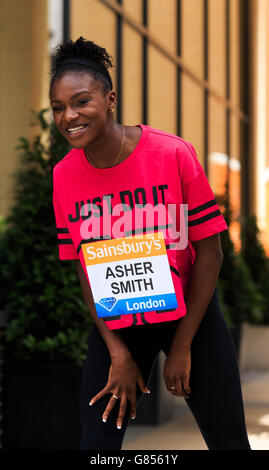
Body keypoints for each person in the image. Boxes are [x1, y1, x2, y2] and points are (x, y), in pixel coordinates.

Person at [50, 36, 251, 450]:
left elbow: (211, 252)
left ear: (110, 99)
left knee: (229, 440)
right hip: (118, 324)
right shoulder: (64, 177)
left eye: (81, 101)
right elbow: (83, 266)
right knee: (97, 443)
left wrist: (182, 347)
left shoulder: (172, 154)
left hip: (189, 318)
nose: (69, 116)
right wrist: (118, 353)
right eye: (57, 107)